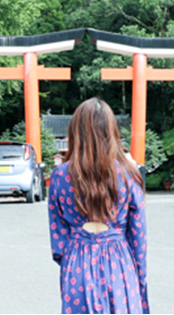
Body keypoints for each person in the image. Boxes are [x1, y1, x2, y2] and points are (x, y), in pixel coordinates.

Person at [48, 98, 149, 314]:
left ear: (76, 131)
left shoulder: (60, 175)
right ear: (111, 131)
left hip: (77, 261)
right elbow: (138, 235)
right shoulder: (128, 174)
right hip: (119, 262)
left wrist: (71, 260)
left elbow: (58, 238)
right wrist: (139, 279)